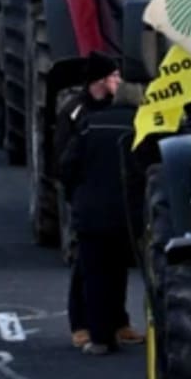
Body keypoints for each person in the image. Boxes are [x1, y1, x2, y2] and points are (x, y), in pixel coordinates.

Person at [58, 57, 145, 355]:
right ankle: (102, 325)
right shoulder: (139, 126)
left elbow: (67, 164)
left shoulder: (90, 123)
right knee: (112, 269)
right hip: (126, 212)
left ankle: (100, 334)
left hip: (91, 208)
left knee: (95, 271)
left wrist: (77, 193)